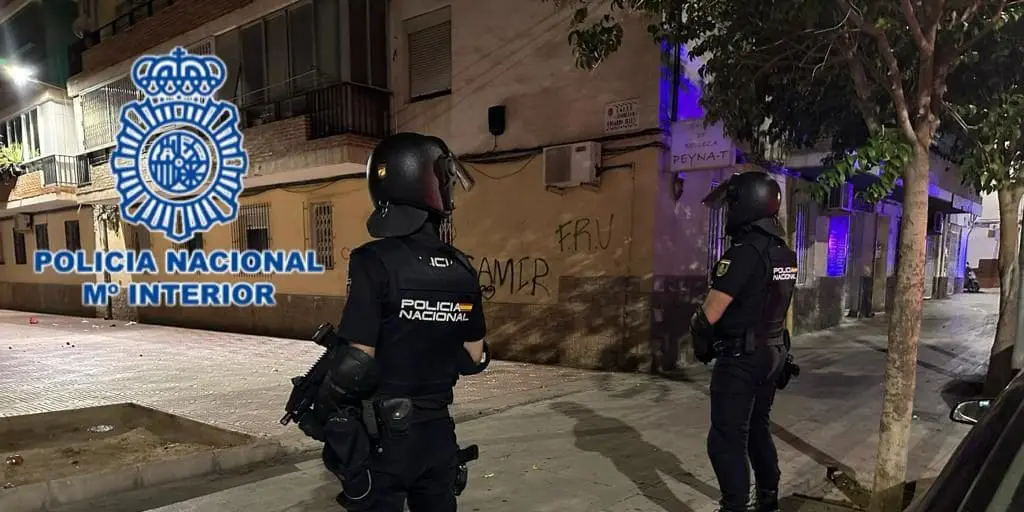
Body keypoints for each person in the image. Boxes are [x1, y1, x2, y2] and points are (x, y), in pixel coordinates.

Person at [304, 132, 490, 511]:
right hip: (439, 436)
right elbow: (475, 358)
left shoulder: (373, 261)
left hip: (385, 440)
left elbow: (357, 362)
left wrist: (322, 412)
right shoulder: (462, 268)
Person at [689, 171, 797, 512]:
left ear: (746, 205)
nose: (729, 210)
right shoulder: (784, 253)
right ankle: (768, 498)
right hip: (773, 354)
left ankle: (734, 506)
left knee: (726, 438)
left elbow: (708, 316)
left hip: (740, 359)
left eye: (732, 203)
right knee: (757, 429)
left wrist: (702, 345)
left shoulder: (742, 253)